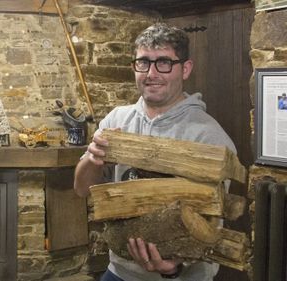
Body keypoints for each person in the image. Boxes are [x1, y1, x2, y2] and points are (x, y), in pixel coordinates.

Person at [73, 23, 237, 281]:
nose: (151, 73)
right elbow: (82, 189)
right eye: (143, 63)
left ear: (185, 69)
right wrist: (93, 160)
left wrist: (173, 268)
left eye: (163, 63)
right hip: (119, 272)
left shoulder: (209, 137)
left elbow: (212, 227)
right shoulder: (118, 119)